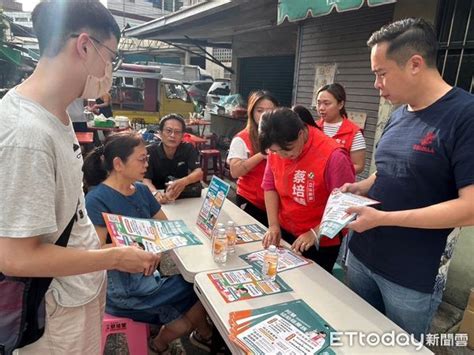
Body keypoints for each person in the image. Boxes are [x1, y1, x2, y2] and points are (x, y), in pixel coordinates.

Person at [0, 1, 160, 354]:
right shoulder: (26, 135)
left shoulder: (56, 114)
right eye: (112, 57)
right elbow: (15, 257)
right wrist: (114, 257)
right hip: (53, 316)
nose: (110, 71)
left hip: (75, 296)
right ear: (85, 46)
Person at [341, 18, 474, 340]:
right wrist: (361, 186)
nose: (376, 84)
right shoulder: (400, 112)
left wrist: (383, 218)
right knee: (358, 339)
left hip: (410, 275)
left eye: (381, 73)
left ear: (415, 64)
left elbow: (470, 208)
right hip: (362, 255)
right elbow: (389, 169)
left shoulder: (464, 116)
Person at [83, 132, 213, 353]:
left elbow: (164, 225)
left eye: (147, 159)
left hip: (149, 280)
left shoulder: (141, 190)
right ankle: (171, 339)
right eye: (141, 159)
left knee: (199, 290)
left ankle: (189, 332)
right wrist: (130, 249)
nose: (147, 164)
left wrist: (189, 231)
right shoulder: (97, 199)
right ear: (118, 164)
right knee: (201, 289)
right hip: (125, 292)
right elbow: (94, 252)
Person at [259, 108, 355, 272]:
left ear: (302, 133)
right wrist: (273, 225)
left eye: (287, 150)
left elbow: (346, 206)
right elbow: (270, 186)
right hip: (286, 230)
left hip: (320, 241)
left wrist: (315, 233)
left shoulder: (333, 156)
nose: (282, 156)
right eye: (275, 151)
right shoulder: (277, 148)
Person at [226, 90, 278, 225]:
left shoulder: (281, 137)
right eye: (260, 111)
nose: (265, 115)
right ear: (252, 112)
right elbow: (235, 171)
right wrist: (261, 155)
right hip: (251, 202)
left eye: (270, 110)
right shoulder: (241, 138)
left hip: (276, 204)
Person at [143, 114, 203, 204]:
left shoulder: (188, 148)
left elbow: (199, 173)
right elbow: (145, 179)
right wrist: (154, 193)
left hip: (181, 198)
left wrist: (184, 181)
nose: (172, 135)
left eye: (177, 132)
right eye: (168, 131)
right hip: (157, 197)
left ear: (183, 135)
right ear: (160, 133)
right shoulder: (150, 151)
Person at [315, 83, 366, 174]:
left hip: (340, 186)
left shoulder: (354, 133)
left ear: (340, 104)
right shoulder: (313, 128)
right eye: (319, 103)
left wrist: (334, 173)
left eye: (327, 103)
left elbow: (359, 165)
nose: (321, 108)